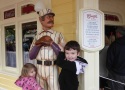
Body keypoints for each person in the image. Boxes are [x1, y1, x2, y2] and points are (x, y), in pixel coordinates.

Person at [29, 8, 65, 90]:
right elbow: (31, 56)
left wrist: (52, 43)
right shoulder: (37, 36)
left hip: (52, 67)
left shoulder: (59, 35)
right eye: (48, 17)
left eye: (52, 17)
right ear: (41, 20)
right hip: (38, 68)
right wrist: (38, 44)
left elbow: (63, 55)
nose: (51, 19)